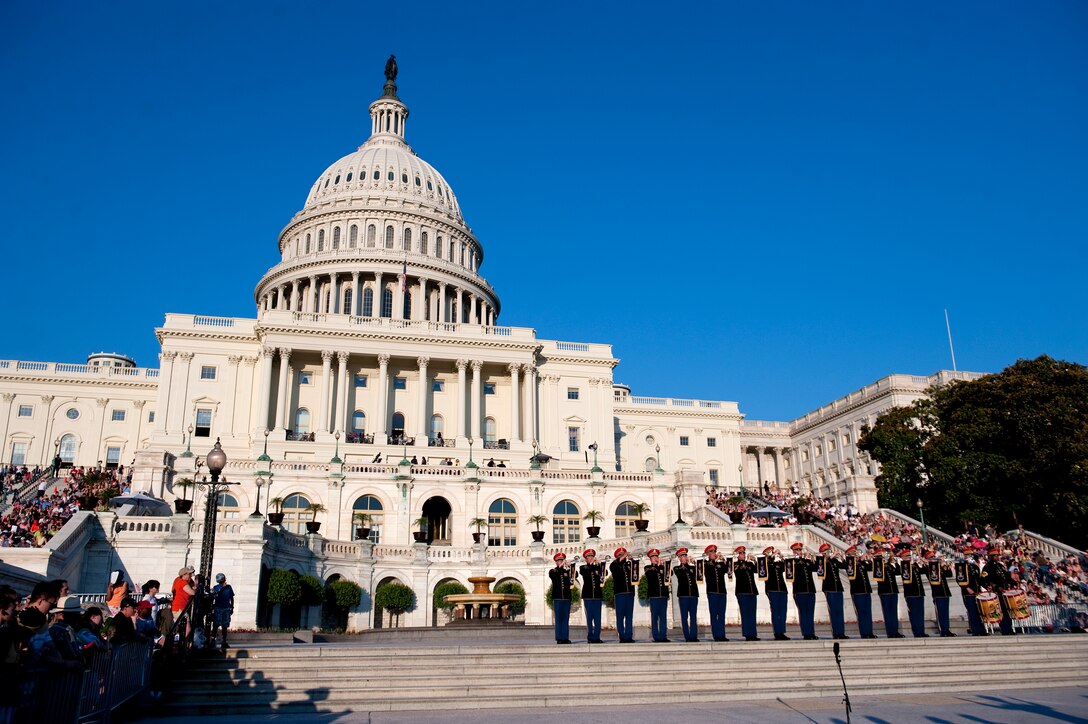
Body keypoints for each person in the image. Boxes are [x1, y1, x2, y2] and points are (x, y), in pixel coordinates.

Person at [981, 545, 1015, 635]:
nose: (997, 557)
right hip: (998, 592)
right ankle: (1005, 629)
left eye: (997, 555)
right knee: (1001, 610)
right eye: (995, 556)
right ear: (991, 557)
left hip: (1005, 591)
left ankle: (1009, 628)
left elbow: (1007, 577)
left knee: (1007, 610)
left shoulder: (1000, 565)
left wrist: (1015, 583)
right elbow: (984, 580)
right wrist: (995, 587)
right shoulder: (988, 567)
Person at [789, 542, 819, 640]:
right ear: (793, 551)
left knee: (810, 613)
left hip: (810, 590)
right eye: (797, 550)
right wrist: (804, 559)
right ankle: (806, 633)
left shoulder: (807, 561)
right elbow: (794, 570)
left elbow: (816, 569)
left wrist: (814, 560)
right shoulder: (792, 561)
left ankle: (811, 632)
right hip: (800, 591)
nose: (799, 552)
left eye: (800, 550)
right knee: (803, 613)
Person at [847, 545, 876, 639]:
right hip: (857, 592)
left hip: (866, 590)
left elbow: (872, 568)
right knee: (861, 613)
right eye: (853, 553)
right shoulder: (849, 564)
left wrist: (870, 559)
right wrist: (856, 560)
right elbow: (850, 572)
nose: (855, 555)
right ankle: (864, 633)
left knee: (868, 612)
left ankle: (869, 632)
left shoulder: (861, 563)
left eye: (856, 553)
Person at [925, 550, 956, 637]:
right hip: (937, 593)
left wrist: (945, 566)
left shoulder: (939, 567)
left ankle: (947, 629)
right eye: (931, 558)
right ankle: (943, 630)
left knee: (945, 612)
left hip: (945, 592)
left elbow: (949, 574)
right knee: (940, 612)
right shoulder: (929, 568)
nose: (934, 559)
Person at [762, 546, 790, 640]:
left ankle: (782, 631)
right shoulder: (765, 563)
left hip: (782, 589)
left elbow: (787, 567)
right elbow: (763, 568)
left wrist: (781, 556)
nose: (773, 554)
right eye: (770, 553)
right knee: (775, 611)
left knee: (782, 611)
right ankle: (777, 632)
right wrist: (770, 557)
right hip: (772, 589)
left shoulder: (777, 564)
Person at [703, 544, 730, 642]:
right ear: (708, 554)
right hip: (712, 592)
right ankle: (716, 635)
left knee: (722, 614)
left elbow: (728, 571)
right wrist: (713, 561)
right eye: (712, 552)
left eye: (714, 552)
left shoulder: (720, 564)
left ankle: (722, 634)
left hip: (722, 592)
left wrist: (724, 560)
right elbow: (704, 570)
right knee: (714, 614)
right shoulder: (706, 564)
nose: (714, 554)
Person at [876, 546, 904, 638]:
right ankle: (890, 632)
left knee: (894, 612)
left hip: (893, 591)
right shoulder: (878, 565)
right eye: (884, 555)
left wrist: (895, 562)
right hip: (885, 592)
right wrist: (880, 560)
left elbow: (899, 572)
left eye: (887, 555)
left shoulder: (890, 566)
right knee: (888, 613)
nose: (886, 556)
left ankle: (895, 631)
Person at [672, 548, 699, 642]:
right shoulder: (677, 568)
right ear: (679, 558)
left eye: (685, 556)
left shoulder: (692, 568)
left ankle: (694, 636)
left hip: (693, 595)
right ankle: (687, 636)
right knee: (684, 617)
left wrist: (694, 562)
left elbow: (699, 573)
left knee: (693, 616)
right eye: (682, 556)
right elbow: (680, 573)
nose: (684, 558)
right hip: (683, 595)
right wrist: (686, 565)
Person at [733, 546, 760, 641]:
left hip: (752, 592)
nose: (743, 555)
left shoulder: (750, 564)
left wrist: (755, 560)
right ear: (737, 555)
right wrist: (747, 562)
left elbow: (759, 571)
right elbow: (739, 571)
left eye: (744, 553)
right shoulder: (735, 564)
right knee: (745, 614)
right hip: (742, 592)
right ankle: (747, 634)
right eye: (741, 553)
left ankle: (753, 633)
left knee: (752, 614)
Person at [609, 547, 635, 643]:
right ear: (617, 557)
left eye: (624, 554)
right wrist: (623, 557)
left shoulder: (628, 565)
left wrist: (632, 561)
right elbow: (615, 564)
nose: (623, 556)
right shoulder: (614, 565)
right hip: (620, 593)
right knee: (620, 616)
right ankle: (622, 636)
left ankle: (629, 635)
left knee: (629, 616)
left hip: (630, 592)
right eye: (620, 555)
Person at [901, 549, 929, 637]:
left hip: (919, 592)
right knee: (914, 613)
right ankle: (916, 631)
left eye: (909, 556)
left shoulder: (914, 566)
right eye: (907, 557)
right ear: (903, 558)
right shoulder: (903, 566)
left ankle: (921, 631)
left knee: (920, 613)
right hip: (911, 593)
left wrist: (925, 563)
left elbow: (924, 572)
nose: (909, 558)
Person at [578, 550, 604, 644]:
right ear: (585, 559)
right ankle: (590, 636)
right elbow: (585, 572)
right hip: (588, 596)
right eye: (589, 556)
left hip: (597, 596)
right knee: (589, 617)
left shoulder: (598, 567)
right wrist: (592, 565)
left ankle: (597, 637)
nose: (591, 558)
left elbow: (605, 574)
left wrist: (600, 565)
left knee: (597, 618)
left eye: (592, 556)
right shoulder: (583, 567)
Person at [644, 549, 670, 642]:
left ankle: (663, 635)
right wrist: (658, 566)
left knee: (663, 617)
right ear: (650, 559)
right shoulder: (648, 568)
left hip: (663, 595)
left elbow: (670, 575)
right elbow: (650, 575)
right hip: (654, 596)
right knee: (654, 617)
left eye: (656, 557)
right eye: (653, 557)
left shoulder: (663, 567)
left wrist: (665, 566)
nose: (655, 558)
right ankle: (656, 636)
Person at [959, 546, 986, 635]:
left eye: (970, 554)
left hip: (977, 591)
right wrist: (966, 587)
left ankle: (981, 629)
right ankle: (975, 630)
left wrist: (986, 586)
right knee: (972, 611)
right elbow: (960, 579)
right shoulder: (962, 566)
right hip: (968, 592)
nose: (969, 556)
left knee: (978, 611)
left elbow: (979, 579)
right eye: (967, 555)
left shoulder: (975, 566)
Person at [548, 553, 572, 644]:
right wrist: (560, 567)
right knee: (558, 619)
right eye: (559, 561)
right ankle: (559, 638)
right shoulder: (553, 571)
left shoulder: (567, 571)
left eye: (562, 560)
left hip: (566, 598)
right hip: (558, 598)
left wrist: (570, 567)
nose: (561, 562)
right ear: (556, 562)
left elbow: (575, 575)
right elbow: (553, 574)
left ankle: (565, 637)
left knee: (565, 619)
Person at [210, 573, 235, 649]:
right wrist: (221, 588)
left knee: (225, 626)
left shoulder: (229, 587)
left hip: (226, 608)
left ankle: (223, 642)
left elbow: (231, 597)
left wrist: (232, 607)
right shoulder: (216, 587)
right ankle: (212, 641)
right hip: (218, 608)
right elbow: (214, 596)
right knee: (215, 625)